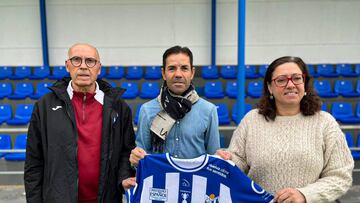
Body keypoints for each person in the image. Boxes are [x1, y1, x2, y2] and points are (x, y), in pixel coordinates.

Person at [217, 56, 354, 203]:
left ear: (305, 84)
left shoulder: (325, 123)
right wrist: (227, 160)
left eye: (297, 78)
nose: (290, 85)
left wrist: (305, 194)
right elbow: (239, 162)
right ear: (270, 87)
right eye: (281, 80)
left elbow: (340, 176)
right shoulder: (251, 120)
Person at [24, 43, 136, 203]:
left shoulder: (118, 107)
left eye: (90, 61)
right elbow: (34, 162)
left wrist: (124, 177)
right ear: (67, 65)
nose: (83, 66)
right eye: (76, 60)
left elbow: (126, 151)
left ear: (99, 68)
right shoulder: (45, 106)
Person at [129, 45, 220, 168]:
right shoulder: (147, 110)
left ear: (192, 73)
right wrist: (136, 159)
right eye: (172, 68)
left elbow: (214, 159)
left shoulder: (209, 110)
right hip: (159, 184)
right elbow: (140, 159)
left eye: (184, 68)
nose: (178, 74)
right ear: (163, 73)